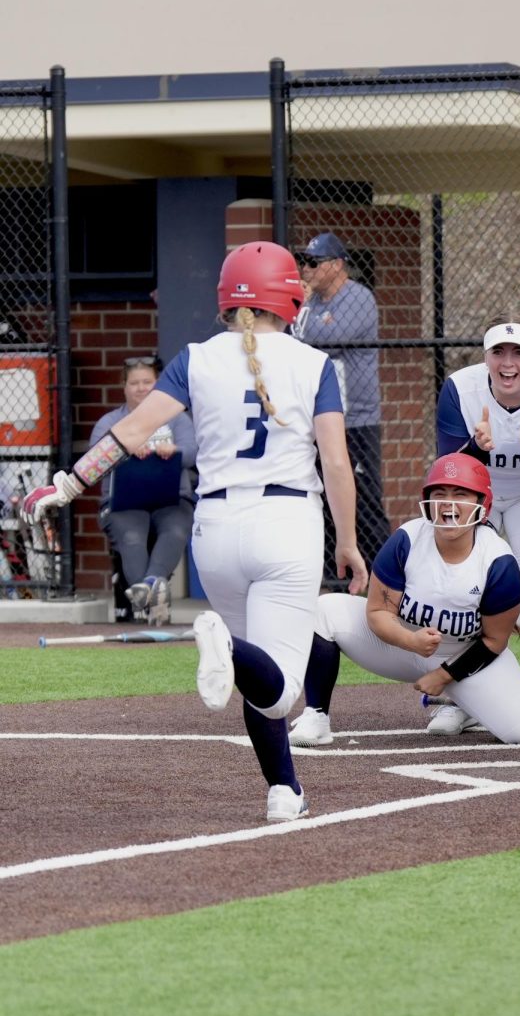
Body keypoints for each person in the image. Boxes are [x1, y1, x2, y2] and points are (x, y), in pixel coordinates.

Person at [25, 241, 369, 822]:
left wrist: (65, 485)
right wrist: (349, 542)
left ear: (227, 299)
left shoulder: (196, 357)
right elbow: (335, 464)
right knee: (282, 690)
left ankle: (284, 788)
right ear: (287, 295)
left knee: (252, 676)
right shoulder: (312, 364)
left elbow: (131, 432)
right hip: (286, 524)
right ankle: (231, 658)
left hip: (215, 527)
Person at [288, 454, 520, 747]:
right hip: (401, 642)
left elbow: (495, 642)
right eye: (441, 492)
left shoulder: (498, 562)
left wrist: (444, 675)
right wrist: (411, 641)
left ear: (482, 504)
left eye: (460, 493)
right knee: (322, 611)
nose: (448, 502)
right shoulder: (407, 540)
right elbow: (378, 611)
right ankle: (316, 714)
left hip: (465, 656)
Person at [430, 315, 520, 734]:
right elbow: (451, 470)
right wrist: (476, 447)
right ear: (486, 357)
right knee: (460, 590)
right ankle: (463, 695)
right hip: (478, 494)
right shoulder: (461, 386)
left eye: (518, 352)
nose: (508, 363)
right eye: (499, 352)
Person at [294, 232, 390, 574]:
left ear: (336, 265)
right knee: (323, 500)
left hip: (357, 419)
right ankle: (336, 577)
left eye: (313, 263)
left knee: (363, 498)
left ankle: (388, 576)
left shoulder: (358, 297)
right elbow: (296, 339)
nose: (305, 269)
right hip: (320, 419)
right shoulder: (312, 304)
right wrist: (304, 310)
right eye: (303, 262)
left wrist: (301, 314)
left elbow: (326, 338)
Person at [90, 356, 197, 625]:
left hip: (172, 499)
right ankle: (150, 603)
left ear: (158, 385)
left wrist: (174, 452)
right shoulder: (110, 422)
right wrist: (122, 450)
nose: (141, 388)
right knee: (133, 537)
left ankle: (147, 588)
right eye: (134, 382)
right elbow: (94, 461)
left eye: (147, 382)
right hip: (123, 502)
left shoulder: (177, 419)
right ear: (124, 387)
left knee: (175, 530)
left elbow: (195, 451)